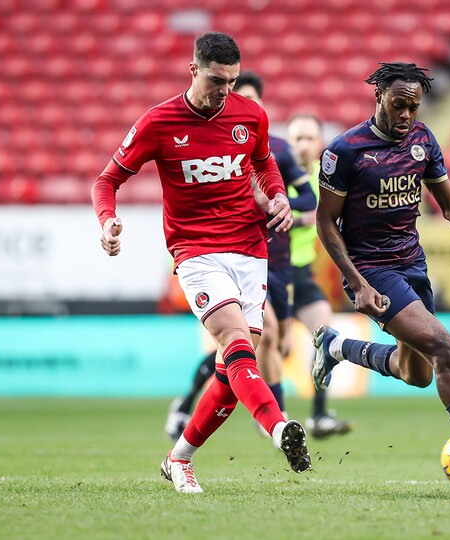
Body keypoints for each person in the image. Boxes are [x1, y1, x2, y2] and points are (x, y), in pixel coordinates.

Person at [91, 32, 312, 494]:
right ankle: (278, 427)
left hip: (250, 249)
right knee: (236, 342)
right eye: (216, 81)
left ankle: (178, 459)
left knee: (232, 374)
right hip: (195, 250)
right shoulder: (158, 122)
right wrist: (108, 221)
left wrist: (278, 198)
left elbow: (264, 164)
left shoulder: (250, 115)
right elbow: (106, 181)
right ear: (194, 71)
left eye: (231, 82)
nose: (224, 91)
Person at [312, 62, 450, 493]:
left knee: (417, 373)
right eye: (398, 105)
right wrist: (357, 282)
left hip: (413, 267)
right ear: (378, 96)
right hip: (373, 271)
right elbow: (325, 224)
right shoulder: (345, 151)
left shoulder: (423, 140)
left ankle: (336, 346)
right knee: (446, 349)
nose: (406, 115)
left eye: (413, 107)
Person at [164, 71, 317, 439]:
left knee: (268, 344)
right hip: (220, 252)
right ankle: (277, 421)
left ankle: (188, 410)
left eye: (247, 97)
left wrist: (279, 206)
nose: (236, 101)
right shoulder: (207, 139)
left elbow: (308, 200)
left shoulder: (276, 149)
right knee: (245, 338)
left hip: (272, 259)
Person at [285, 113, 353, 438]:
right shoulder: (276, 174)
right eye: (297, 138)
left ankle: (318, 416)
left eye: (309, 138)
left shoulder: (323, 181)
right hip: (271, 275)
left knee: (325, 334)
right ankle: (185, 405)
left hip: (301, 274)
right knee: (272, 347)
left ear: (319, 143)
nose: (303, 145)